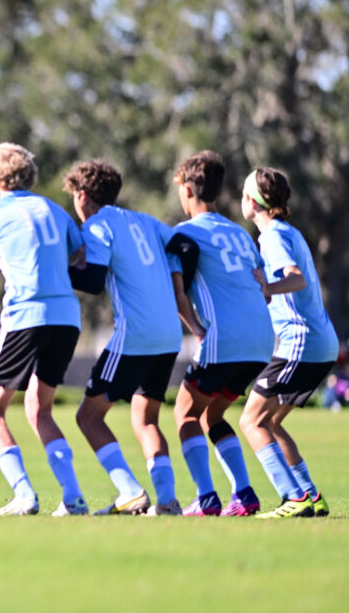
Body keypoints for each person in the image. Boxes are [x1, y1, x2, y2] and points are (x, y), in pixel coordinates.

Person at [0, 142, 87, 517]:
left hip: (25, 318)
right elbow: (80, 256)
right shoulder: (54, 209)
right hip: (66, 318)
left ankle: (24, 494)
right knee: (39, 409)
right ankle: (73, 497)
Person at [64, 159, 197, 516]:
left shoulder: (97, 225)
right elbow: (187, 247)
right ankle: (167, 501)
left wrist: (55, 269)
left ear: (82, 196)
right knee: (146, 418)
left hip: (136, 335)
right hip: (169, 334)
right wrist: (177, 287)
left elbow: (93, 281)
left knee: (88, 417)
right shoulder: (144, 220)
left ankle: (130, 491)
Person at [169, 151, 273, 516]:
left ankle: (206, 497)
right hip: (261, 340)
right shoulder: (239, 233)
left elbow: (177, 293)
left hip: (225, 338)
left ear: (187, 189)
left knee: (185, 414)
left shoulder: (183, 234)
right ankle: (244, 494)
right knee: (211, 415)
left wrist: (197, 329)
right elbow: (262, 288)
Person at [238, 167, 338, 518]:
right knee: (270, 423)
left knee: (251, 421)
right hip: (321, 343)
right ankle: (310, 496)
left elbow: (295, 279)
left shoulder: (272, 236)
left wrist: (268, 287)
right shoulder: (288, 232)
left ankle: (293, 498)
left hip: (302, 342)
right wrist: (268, 292)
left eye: (244, 193)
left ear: (252, 202)